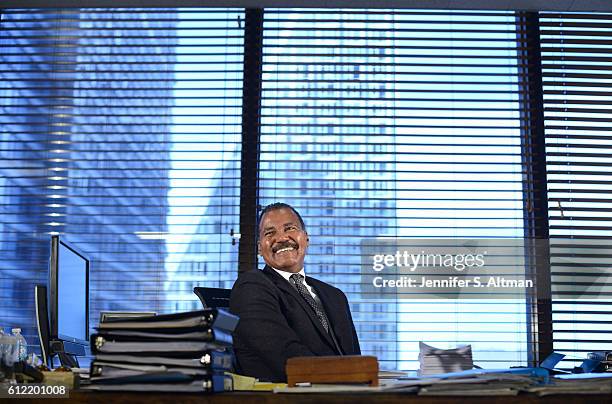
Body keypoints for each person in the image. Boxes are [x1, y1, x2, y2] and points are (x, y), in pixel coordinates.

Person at [229, 202, 361, 382]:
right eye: (270, 233)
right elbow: (286, 356)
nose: (281, 238)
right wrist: (344, 377)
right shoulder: (252, 287)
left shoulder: (335, 296)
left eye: (289, 228)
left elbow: (355, 360)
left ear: (306, 238)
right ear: (260, 248)